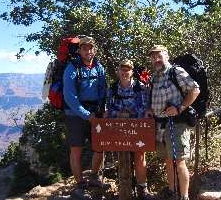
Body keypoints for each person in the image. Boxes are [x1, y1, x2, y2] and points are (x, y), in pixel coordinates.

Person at [145, 45, 200, 200]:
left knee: (180, 161)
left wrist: (180, 107)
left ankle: (184, 196)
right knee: (168, 160)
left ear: (166, 56)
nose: (156, 60)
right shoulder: (155, 77)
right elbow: (155, 99)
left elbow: (195, 89)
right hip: (160, 124)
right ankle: (172, 191)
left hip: (176, 123)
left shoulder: (176, 71)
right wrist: (150, 109)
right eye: (153, 57)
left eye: (159, 56)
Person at [63, 36, 110, 199]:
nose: (88, 51)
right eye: (85, 48)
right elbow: (69, 97)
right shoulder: (71, 68)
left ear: (94, 50)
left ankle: (94, 177)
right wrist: (85, 114)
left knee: (100, 146)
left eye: (91, 48)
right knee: (76, 150)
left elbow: (103, 90)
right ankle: (80, 186)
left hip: (94, 113)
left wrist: (103, 109)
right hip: (75, 114)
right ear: (80, 50)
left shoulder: (99, 67)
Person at [103, 59, 155, 200]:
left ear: (132, 72)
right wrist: (121, 115)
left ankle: (142, 189)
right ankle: (125, 190)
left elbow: (145, 108)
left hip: (137, 128)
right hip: (119, 129)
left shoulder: (140, 87)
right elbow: (109, 108)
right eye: (122, 69)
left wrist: (131, 115)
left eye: (127, 70)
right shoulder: (113, 89)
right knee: (122, 156)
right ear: (118, 71)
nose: (124, 72)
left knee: (139, 155)